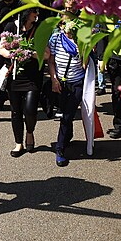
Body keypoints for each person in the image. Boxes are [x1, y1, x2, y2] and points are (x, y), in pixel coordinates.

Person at [46, 14, 91, 167]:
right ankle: (67, 136)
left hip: (77, 83)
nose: (69, 27)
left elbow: (86, 63)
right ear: (61, 25)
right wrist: (54, 80)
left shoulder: (83, 40)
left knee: (67, 116)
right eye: (66, 24)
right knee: (65, 115)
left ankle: (60, 150)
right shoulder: (56, 39)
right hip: (60, 84)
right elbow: (51, 62)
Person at [0, 9, 42, 157]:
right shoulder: (11, 27)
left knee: (30, 110)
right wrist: (13, 54)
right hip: (14, 77)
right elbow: (1, 48)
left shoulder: (38, 29)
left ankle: (30, 132)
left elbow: (46, 53)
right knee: (16, 111)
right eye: (33, 12)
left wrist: (29, 53)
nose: (36, 14)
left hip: (32, 77)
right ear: (25, 13)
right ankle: (18, 143)